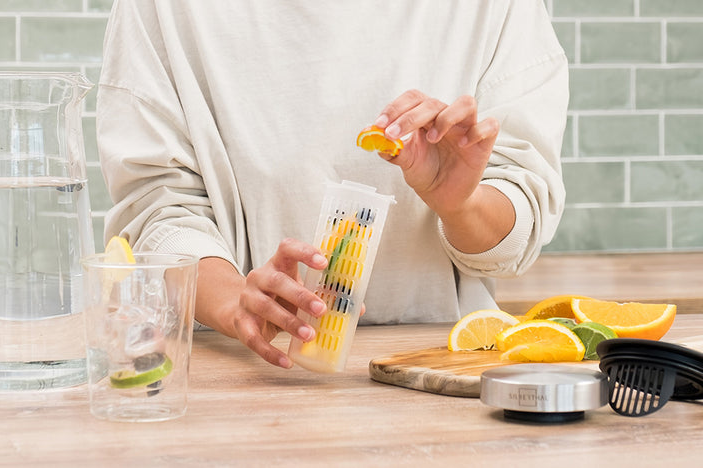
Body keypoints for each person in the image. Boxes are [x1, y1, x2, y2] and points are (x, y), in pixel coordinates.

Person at [96, 1, 568, 369]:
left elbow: (517, 223)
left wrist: (461, 203)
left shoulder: (497, 8)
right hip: (244, 370)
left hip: (439, 367)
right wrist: (237, 303)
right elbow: (156, 203)